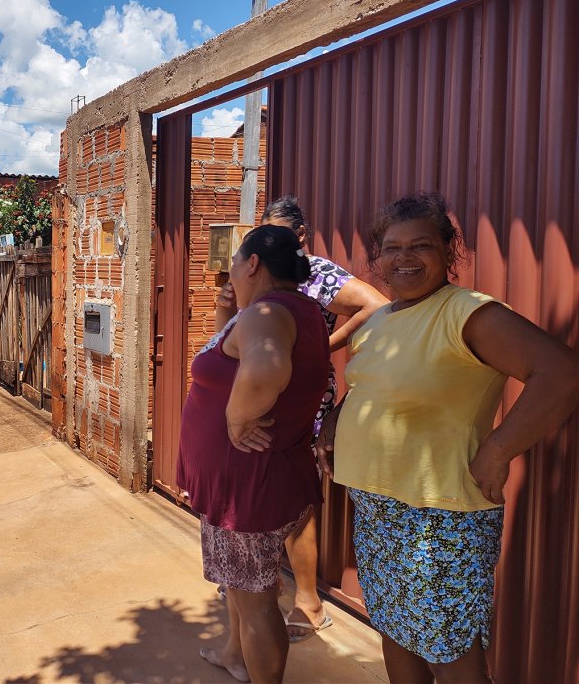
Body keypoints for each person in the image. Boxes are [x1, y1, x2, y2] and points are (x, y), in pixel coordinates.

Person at [317, 193, 579, 682]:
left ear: (448, 251)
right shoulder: (379, 320)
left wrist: (500, 450)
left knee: (448, 645)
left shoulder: (467, 313)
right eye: (392, 248)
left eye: (421, 245)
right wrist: (336, 420)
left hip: (439, 515)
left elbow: (560, 373)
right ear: (378, 257)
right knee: (395, 628)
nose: (404, 258)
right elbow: (371, 385)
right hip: (379, 506)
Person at [177, 225, 330, 683]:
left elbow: (266, 366)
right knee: (245, 589)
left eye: (235, 266)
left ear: (253, 264)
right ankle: (235, 655)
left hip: (246, 488)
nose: (232, 277)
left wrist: (236, 419)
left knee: (255, 600)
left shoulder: (267, 310)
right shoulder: (297, 309)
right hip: (262, 478)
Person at [230, 195, 386, 643]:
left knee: (295, 501)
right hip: (266, 395)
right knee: (266, 490)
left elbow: (375, 305)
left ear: (301, 236)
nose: (273, 241)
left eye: (281, 233)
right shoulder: (263, 269)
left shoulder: (316, 271)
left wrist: (322, 348)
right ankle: (266, 582)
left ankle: (309, 603)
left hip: (299, 400)